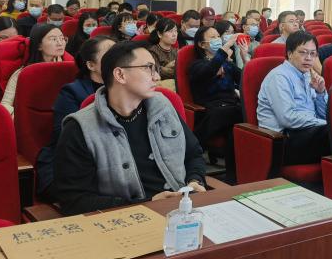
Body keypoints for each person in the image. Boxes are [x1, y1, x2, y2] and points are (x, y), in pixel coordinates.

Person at [54, 41, 206, 215]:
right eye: (148, 68)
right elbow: (74, 200)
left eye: (156, 69)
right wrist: (146, 204)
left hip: (182, 210)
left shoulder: (163, 106)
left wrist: (195, 181)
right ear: (120, 75)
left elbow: (193, 154)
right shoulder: (80, 128)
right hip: (128, 219)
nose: (157, 77)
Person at [36, 36, 115, 200]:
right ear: (91, 65)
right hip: (71, 165)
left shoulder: (125, 88)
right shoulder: (72, 93)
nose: (119, 57)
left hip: (113, 163)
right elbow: (65, 137)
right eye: (111, 53)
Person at [256, 31, 330, 165]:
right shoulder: (279, 77)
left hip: (307, 132)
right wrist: (327, 124)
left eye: (313, 54)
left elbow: (323, 115)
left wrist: (320, 93)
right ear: (290, 54)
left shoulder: (308, 75)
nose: (309, 58)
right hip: (283, 139)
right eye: (303, 53)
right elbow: (287, 118)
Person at [189, 25, 246, 180]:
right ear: (202, 45)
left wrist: (244, 57)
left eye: (218, 37)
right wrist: (226, 47)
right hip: (210, 108)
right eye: (213, 37)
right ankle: (194, 144)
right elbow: (209, 70)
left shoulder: (227, 64)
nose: (218, 40)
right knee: (233, 113)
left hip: (230, 108)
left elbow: (245, 80)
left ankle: (233, 176)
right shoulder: (196, 65)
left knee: (234, 131)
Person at [1, 24, 66, 115]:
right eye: (53, 39)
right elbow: (5, 104)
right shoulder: (24, 73)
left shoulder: (68, 70)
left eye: (62, 38)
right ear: (39, 46)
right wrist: (20, 117)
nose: (60, 43)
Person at [147, 18, 179, 88]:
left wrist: (165, 68)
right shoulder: (152, 51)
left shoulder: (177, 51)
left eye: (176, 31)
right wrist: (168, 67)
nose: (174, 34)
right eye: (170, 31)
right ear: (159, 34)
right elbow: (155, 73)